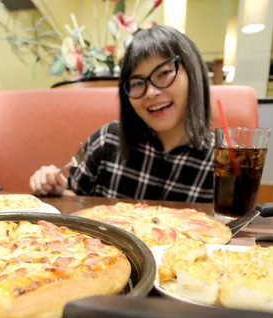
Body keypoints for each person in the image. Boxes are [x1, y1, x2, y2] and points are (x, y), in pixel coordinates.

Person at [29, 25, 214, 203]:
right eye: (137, 83)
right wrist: (54, 189)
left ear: (192, 72)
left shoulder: (220, 161)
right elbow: (76, 201)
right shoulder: (107, 140)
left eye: (164, 73)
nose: (151, 92)